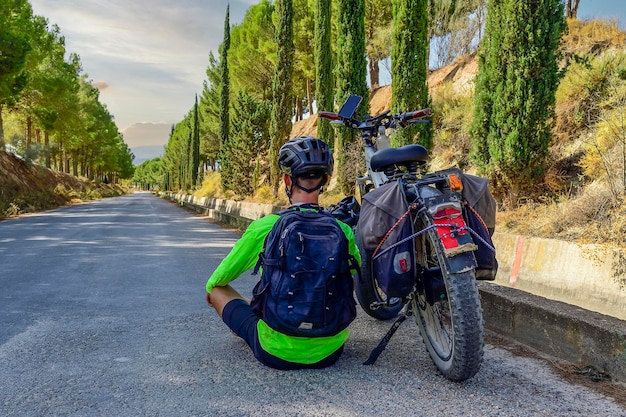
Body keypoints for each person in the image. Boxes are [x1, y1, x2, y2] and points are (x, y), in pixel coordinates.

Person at [205, 136, 360, 370]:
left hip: (275, 352)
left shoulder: (265, 227)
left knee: (216, 291)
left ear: (287, 180)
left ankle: (258, 326)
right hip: (330, 351)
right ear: (326, 180)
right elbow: (353, 278)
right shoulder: (343, 229)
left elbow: (217, 280)